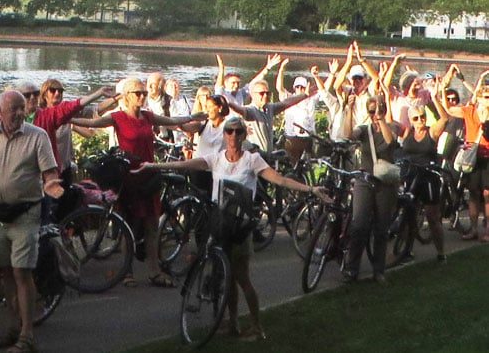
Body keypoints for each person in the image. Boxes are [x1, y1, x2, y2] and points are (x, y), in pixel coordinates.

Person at [140, 115, 328, 339]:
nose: (233, 136)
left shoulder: (252, 160)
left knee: (242, 278)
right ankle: (232, 323)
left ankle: (257, 326)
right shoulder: (215, 159)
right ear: (224, 134)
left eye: (238, 132)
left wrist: (311, 190)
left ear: (244, 135)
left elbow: (280, 180)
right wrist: (153, 166)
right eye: (229, 131)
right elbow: (183, 164)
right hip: (220, 223)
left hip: (240, 226)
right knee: (226, 276)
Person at [71, 77, 202, 288]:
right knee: (127, 225)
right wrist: (67, 119)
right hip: (128, 178)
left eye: (143, 93)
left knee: (151, 224)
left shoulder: (148, 116)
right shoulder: (118, 117)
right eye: (138, 93)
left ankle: (154, 271)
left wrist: (192, 116)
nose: (142, 96)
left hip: (148, 175)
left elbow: (172, 121)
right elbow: (93, 123)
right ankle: (127, 271)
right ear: (126, 96)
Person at [0, 90, 63, 353]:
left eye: (22, 108)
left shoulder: (37, 136)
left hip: (26, 213)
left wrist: (52, 185)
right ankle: (13, 326)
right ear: (0, 111)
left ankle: (27, 335)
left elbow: (50, 173)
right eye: (13, 109)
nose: (19, 113)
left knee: (21, 271)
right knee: (4, 271)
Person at [342, 94, 399, 282]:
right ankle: (352, 268)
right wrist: (349, 110)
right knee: (358, 225)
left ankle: (379, 270)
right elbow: (348, 135)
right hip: (365, 180)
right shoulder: (364, 129)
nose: (375, 115)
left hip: (385, 183)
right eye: (371, 111)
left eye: (378, 110)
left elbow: (390, 141)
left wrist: (382, 118)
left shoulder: (392, 126)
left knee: (382, 228)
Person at [437, 68, 489, 241]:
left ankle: (487, 231)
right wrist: (444, 88)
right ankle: (474, 229)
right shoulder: (470, 111)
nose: (486, 100)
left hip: (488, 158)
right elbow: (449, 109)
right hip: (472, 159)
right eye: (484, 97)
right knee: (474, 194)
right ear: (479, 98)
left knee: (487, 195)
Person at [397, 102, 447, 261]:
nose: (420, 120)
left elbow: (445, 118)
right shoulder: (408, 132)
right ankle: (406, 250)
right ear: (411, 120)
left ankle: (441, 252)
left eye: (423, 116)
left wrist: (435, 98)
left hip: (428, 177)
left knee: (432, 217)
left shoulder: (431, 132)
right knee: (408, 214)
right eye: (416, 118)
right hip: (411, 176)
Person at [228, 70, 315, 155]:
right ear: (252, 95)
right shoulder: (250, 110)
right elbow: (239, 109)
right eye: (261, 93)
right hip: (254, 159)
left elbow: (287, 102)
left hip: (268, 158)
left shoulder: (270, 108)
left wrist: (305, 95)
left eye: (267, 93)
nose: (265, 96)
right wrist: (228, 103)